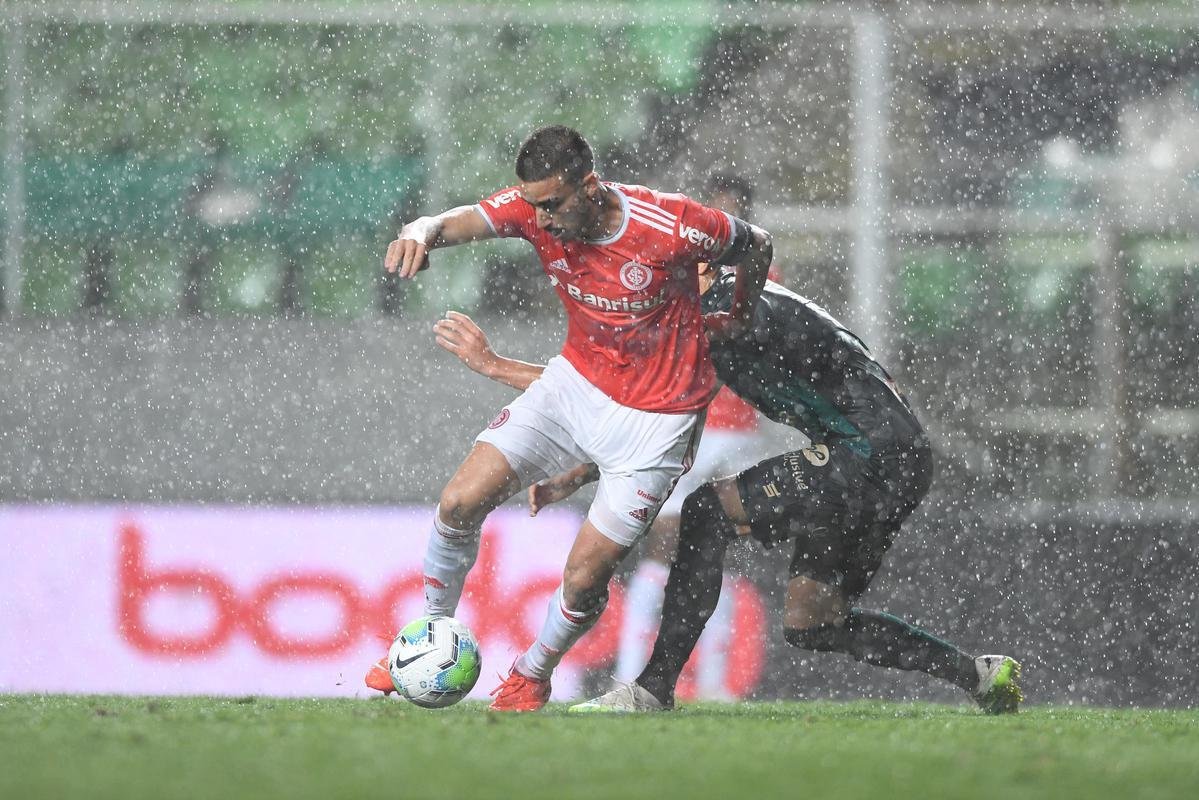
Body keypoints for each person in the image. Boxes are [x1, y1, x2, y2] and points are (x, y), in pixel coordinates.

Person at [432, 263, 1023, 715]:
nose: (655, 293)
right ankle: (977, 674)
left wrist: (495, 364)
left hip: (865, 454)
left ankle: (652, 689)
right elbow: (675, 405)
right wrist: (584, 471)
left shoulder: (722, 312)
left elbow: (616, 388)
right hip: (897, 458)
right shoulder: (732, 312)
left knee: (706, 514)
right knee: (811, 620)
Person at [365, 125, 773, 711]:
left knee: (584, 578)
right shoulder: (535, 211)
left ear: (589, 185)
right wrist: (421, 228)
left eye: (554, 204)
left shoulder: (669, 225)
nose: (543, 220)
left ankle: (532, 673)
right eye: (534, 206)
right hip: (573, 387)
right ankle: (429, 636)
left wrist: (737, 313)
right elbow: (461, 221)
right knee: (458, 502)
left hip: (657, 423)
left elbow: (754, 242)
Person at [615, 173, 767, 698]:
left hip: (711, 430)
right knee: (695, 549)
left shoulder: (702, 268)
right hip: (703, 428)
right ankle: (686, 678)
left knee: (676, 548)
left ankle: (653, 675)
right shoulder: (731, 268)